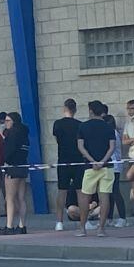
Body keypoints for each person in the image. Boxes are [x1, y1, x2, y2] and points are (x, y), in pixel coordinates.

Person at [76, 101, 116, 238]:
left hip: (90, 167)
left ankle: (82, 228)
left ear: (91, 111)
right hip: (107, 167)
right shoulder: (108, 127)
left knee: (85, 196)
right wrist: (102, 161)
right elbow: (112, 147)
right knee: (104, 197)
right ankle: (101, 229)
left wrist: (92, 161)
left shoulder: (83, 126)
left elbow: (81, 146)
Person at [53, 99, 84, 231]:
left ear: (64, 108)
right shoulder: (80, 125)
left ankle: (59, 222)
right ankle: (84, 221)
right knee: (81, 192)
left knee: (62, 192)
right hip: (78, 160)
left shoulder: (57, 124)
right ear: (75, 110)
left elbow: (56, 140)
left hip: (63, 160)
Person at [2, 112, 30, 235]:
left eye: (8, 121)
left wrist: (5, 161)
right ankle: (22, 225)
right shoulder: (24, 134)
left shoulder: (12, 134)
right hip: (23, 166)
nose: (6, 123)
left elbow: (8, 151)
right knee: (21, 198)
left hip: (12, 167)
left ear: (14, 121)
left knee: (10, 198)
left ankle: (9, 226)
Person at [102, 112, 129, 229]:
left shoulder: (112, 133)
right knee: (110, 193)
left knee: (115, 192)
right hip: (111, 165)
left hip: (114, 166)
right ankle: (109, 217)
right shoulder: (113, 133)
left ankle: (123, 218)